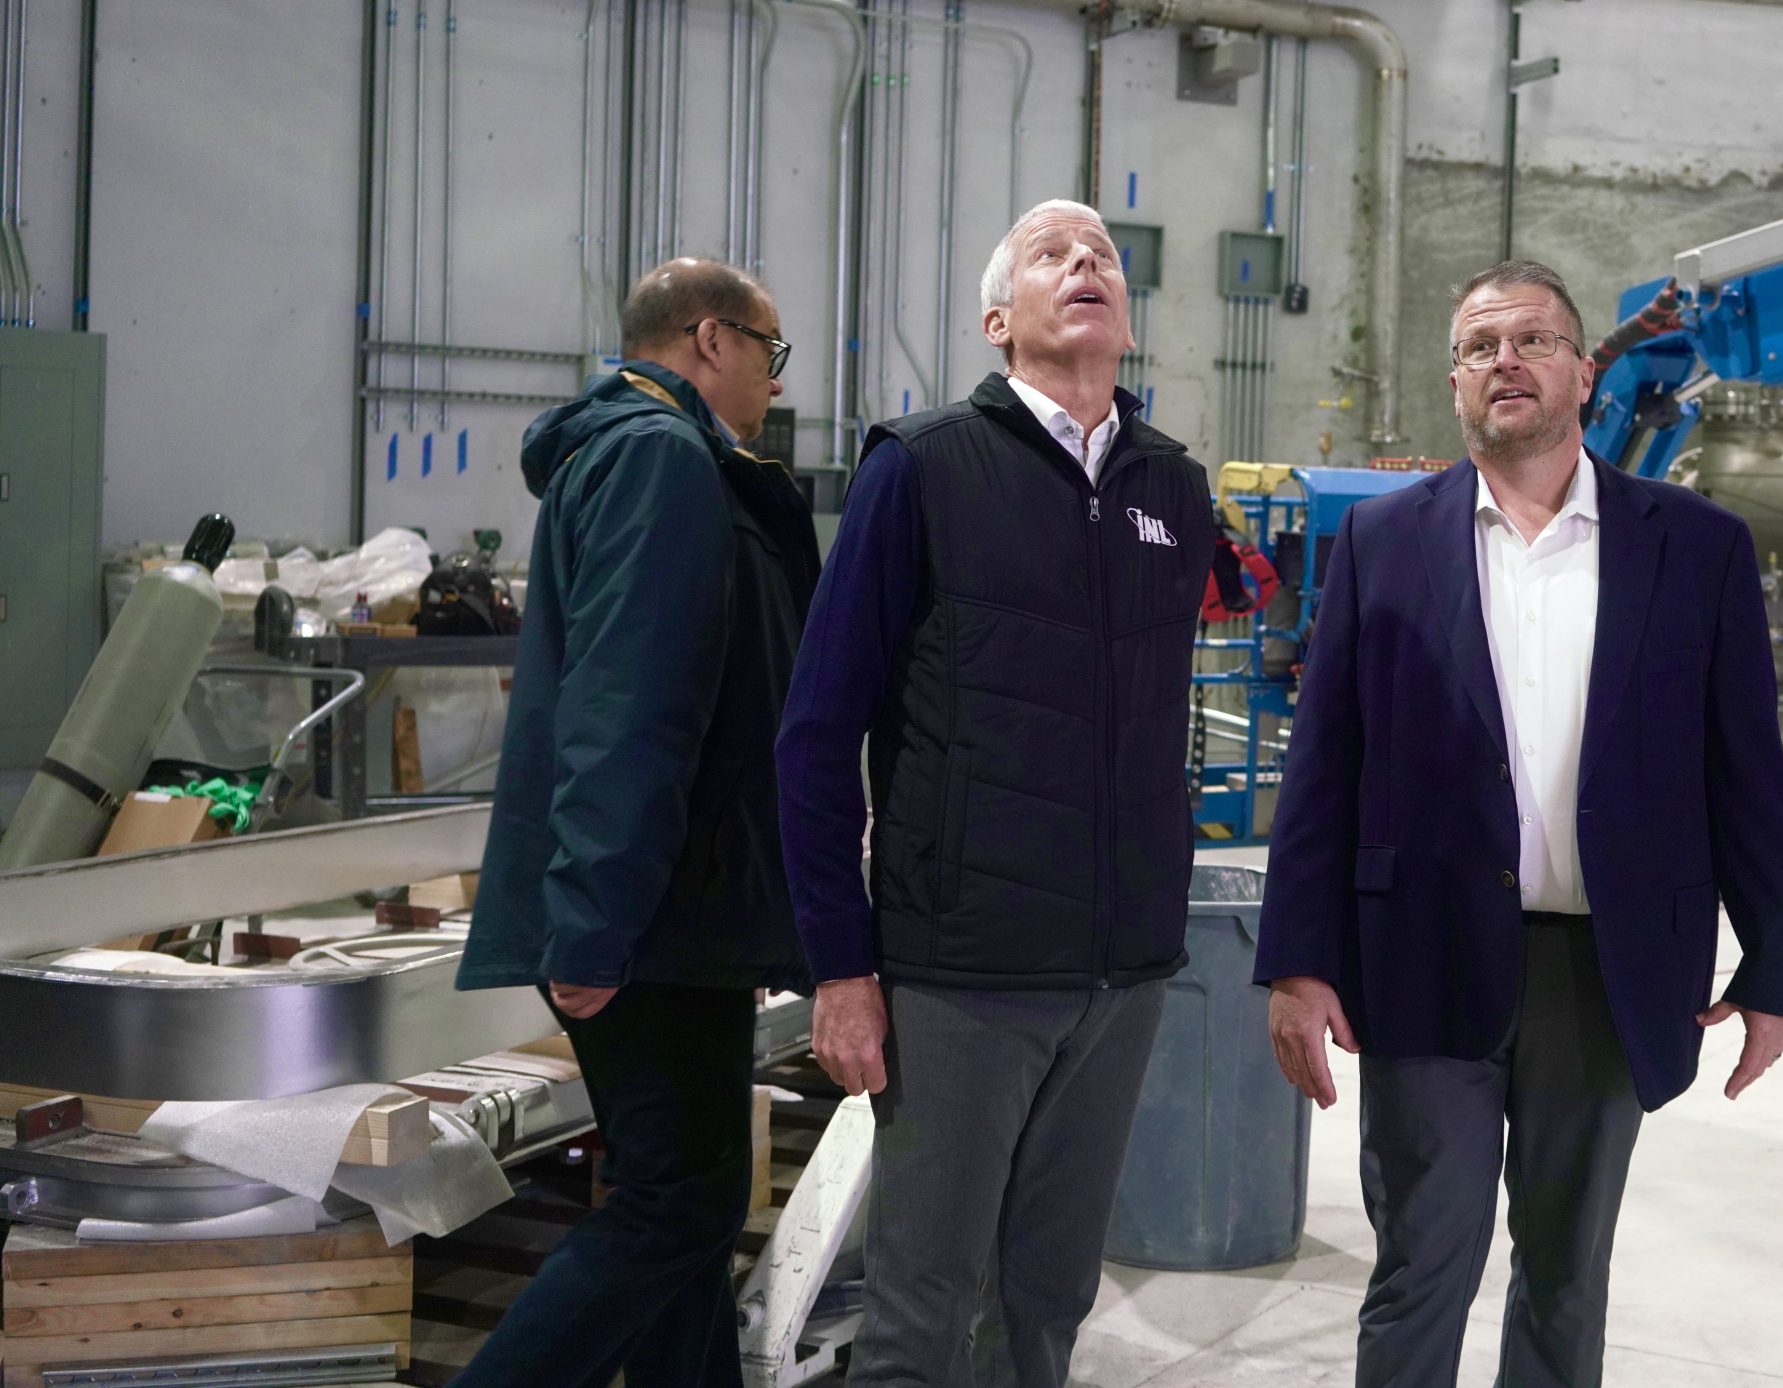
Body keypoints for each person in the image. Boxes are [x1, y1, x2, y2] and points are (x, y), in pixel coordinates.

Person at [1255, 259, 1783, 1387]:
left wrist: (1778, 965)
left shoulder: (1694, 547)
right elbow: (1324, 768)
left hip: (1608, 969)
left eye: (1532, 340)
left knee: (1566, 1272)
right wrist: (1298, 962)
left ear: (1581, 368)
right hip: (1421, 953)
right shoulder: (1383, 542)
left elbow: (1745, 768)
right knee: (1421, 1262)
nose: (1504, 361)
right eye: (1478, 346)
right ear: (1456, 384)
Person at [776, 199, 1214, 1388]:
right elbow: (816, 736)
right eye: (1051, 255)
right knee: (923, 1310)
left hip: (1122, 971)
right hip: (960, 969)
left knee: (1045, 1307)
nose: (1086, 264)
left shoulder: (1173, 488)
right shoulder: (919, 468)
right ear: (996, 320)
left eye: (1106, 256)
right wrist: (840, 965)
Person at [455, 260, 820, 1386]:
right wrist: (595, 924)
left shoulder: (652, 454)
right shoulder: (660, 457)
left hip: (675, 910)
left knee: (691, 1207)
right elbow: (632, 706)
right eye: (770, 346)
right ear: (709, 337)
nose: (772, 373)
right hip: (647, 915)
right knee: (674, 1208)